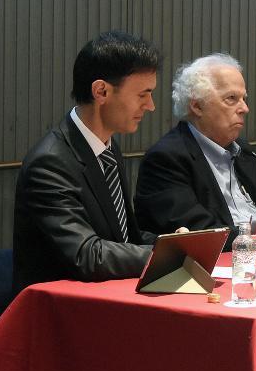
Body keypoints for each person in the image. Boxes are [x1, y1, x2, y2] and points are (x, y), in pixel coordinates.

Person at [13, 30, 165, 294]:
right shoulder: (50, 162)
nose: (151, 106)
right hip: (60, 311)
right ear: (101, 91)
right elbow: (87, 254)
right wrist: (165, 257)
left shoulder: (108, 148)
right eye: (142, 95)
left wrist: (178, 244)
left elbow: (124, 238)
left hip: (108, 296)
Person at [134, 54, 256, 248]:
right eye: (231, 98)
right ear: (197, 106)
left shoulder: (242, 150)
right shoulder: (166, 159)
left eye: (244, 99)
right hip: (223, 267)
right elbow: (200, 234)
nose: (244, 108)